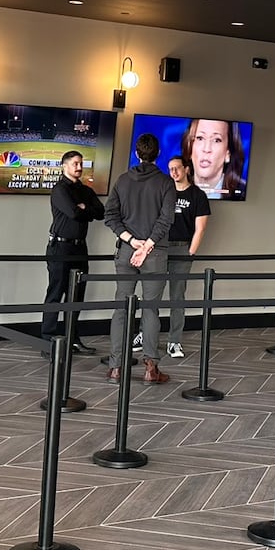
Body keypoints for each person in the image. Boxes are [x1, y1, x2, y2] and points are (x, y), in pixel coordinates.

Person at [104, 132, 175, 383]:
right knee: (150, 310)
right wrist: (146, 247)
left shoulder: (122, 181)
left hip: (125, 252)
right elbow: (166, 219)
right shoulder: (166, 183)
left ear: (136, 154)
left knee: (121, 308)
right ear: (157, 155)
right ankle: (150, 369)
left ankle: (116, 367)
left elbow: (110, 215)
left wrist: (132, 242)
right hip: (155, 254)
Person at [42, 150, 103, 354]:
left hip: (80, 247)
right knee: (56, 293)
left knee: (76, 295)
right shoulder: (60, 189)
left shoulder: (85, 190)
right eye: (75, 163)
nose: (79, 167)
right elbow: (74, 213)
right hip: (60, 247)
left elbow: (101, 212)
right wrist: (86, 209)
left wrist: (85, 208)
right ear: (64, 165)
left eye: (81, 164)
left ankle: (72, 338)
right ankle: (47, 341)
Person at [152, 154, 211, 358]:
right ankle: (146, 335)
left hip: (181, 249)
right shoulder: (164, 192)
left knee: (177, 297)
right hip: (159, 248)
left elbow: (200, 228)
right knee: (153, 295)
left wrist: (190, 252)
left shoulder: (197, 195)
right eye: (170, 169)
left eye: (177, 168)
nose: (174, 172)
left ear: (187, 169)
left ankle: (174, 341)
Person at [180, 118, 246, 199]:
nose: (206, 149)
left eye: (216, 140)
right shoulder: (172, 189)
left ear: (228, 153)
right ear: (189, 147)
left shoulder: (241, 194)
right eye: (200, 138)